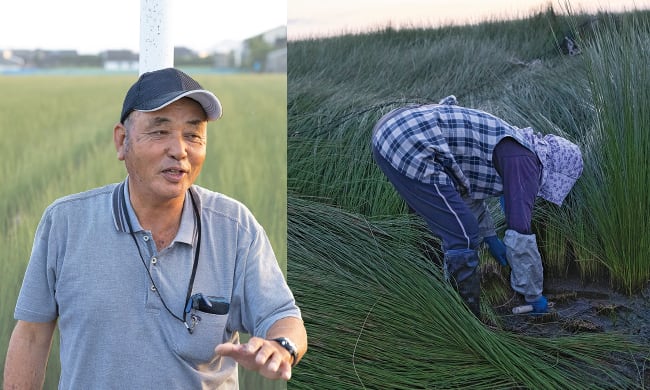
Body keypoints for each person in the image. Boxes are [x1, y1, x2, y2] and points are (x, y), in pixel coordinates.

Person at [4, 68, 307, 389]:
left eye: (193, 135)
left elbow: (284, 317)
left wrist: (281, 347)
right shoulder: (65, 223)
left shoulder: (234, 228)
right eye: (160, 132)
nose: (180, 150)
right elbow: (32, 336)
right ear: (122, 141)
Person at [371, 95, 583, 317]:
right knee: (463, 237)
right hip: (407, 140)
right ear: (555, 170)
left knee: (439, 227)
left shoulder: (516, 146)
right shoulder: (525, 161)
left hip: (391, 132)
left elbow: (465, 192)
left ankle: (432, 298)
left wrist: (490, 237)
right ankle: (465, 318)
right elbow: (520, 235)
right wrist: (533, 295)